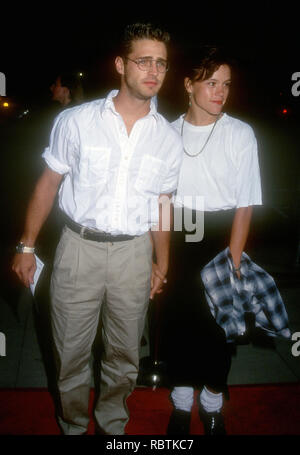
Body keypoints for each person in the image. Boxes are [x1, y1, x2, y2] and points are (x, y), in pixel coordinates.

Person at [12, 22, 183, 435]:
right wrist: (26, 246)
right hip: (78, 248)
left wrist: (162, 262)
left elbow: (163, 206)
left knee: (124, 356)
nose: (153, 71)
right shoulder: (76, 121)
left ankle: (112, 428)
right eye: (144, 60)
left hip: (134, 253)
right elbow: (48, 183)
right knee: (69, 352)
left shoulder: (167, 139)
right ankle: (72, 426)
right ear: (121, 64)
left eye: (161, 63)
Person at [163, 45, 262, 435]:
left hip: (221, 235)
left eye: (226, 84)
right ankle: (182, 403)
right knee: (178, 324)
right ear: (188, 85)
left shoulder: (240, 133)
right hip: (178, 232)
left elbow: (244, 205)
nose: (220, 92)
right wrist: (160, 259)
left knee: (221, 329)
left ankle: (212, 403)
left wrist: (234, 262)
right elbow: (162, 202)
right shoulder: (166, 132)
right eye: (211, 83)